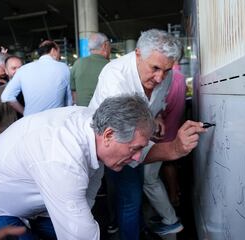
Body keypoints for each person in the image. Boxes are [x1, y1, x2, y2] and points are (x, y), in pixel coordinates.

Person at [0, 94, 160, 240]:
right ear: (109, 135)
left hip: (32, 206)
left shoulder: (94, 124)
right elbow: (80, 236)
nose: (137, 157)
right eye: (135, 149)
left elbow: (82, 213)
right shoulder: (61, 156)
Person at [88, 29, 205, 239]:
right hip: (115, 143)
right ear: (138, 53)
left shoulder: (164, 77)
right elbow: (126, 134)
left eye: (167, 70)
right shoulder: (115, 76)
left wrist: (156, 118)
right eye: (155, 68)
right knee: (131, 197)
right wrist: (172, 149)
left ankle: (128, 227)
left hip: (136, 140)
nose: (160, 77)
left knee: (130, 194)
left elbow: (154, 106)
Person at [144, 63, 187, 236]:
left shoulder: (166, 79)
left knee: (150, 180)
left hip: (159, 136)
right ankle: (174, 198)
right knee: (168, 168)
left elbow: (159, 106)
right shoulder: (181, 77)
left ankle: (171, 220)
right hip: (172, 131)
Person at [1, 40, 72, 116]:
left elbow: (6, 96)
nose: (59, 56)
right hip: (55, 120)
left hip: (31, 121)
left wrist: (25, 112)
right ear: (53, 50)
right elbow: (69, 101)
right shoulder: (63, 67)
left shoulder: (23, 69)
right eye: (59, 52)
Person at [71, 32, 110, 106]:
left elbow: (74, 94)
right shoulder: (110, 66)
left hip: (81, 113)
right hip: (102, 114)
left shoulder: (77, 63)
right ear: (105, 45)